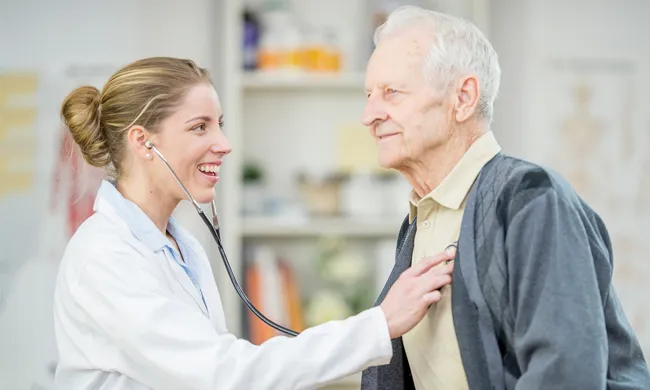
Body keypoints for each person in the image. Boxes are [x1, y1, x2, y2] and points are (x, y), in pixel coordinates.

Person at [52, 57, 456, 390]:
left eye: (219, 124)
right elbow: (224, 373)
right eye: (199, 127)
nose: (224, 144)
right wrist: (379, 324)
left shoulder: (181, 244)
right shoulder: (105, 256)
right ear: (143, 142)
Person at [359, 5, 650, 390]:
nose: (369, 114)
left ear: (463, 98)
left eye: (391, 93)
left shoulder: (531, 199)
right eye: (368, 95)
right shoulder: (420, 220)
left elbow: (564, 376)